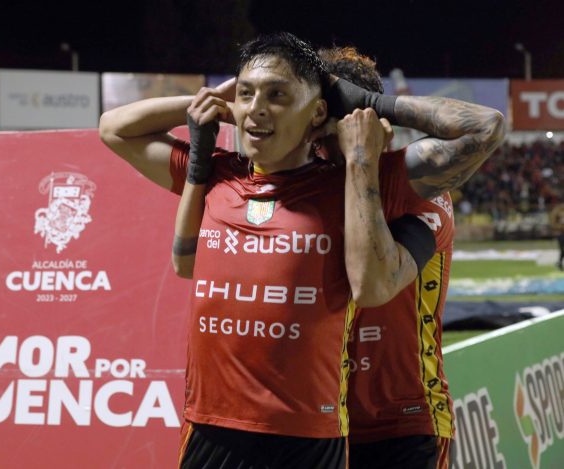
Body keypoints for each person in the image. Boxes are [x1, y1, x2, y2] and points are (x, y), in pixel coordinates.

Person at [102, 32, 447, 468]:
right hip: (302, 413)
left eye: (279, 96)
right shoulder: (233, 178)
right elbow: (115, 130)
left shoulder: (398, 193)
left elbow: (373, 286)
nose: (324, 144)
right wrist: (220, 100)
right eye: (250, 94)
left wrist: (368, 139)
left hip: (396, 419)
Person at [315, 46, 457, 469]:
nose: (329, 146)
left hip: (406, 421)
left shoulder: (419, 190)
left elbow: (482, 127)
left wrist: (381, 114)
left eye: (344, 127)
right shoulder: (308, 188)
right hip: (322, 420)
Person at [551, 202, 564, 270]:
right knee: (562, 249)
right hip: (560, 233)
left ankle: (559, 263)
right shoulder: (557, 211)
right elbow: (553, 223)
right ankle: (559, 263)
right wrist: (560, 227)